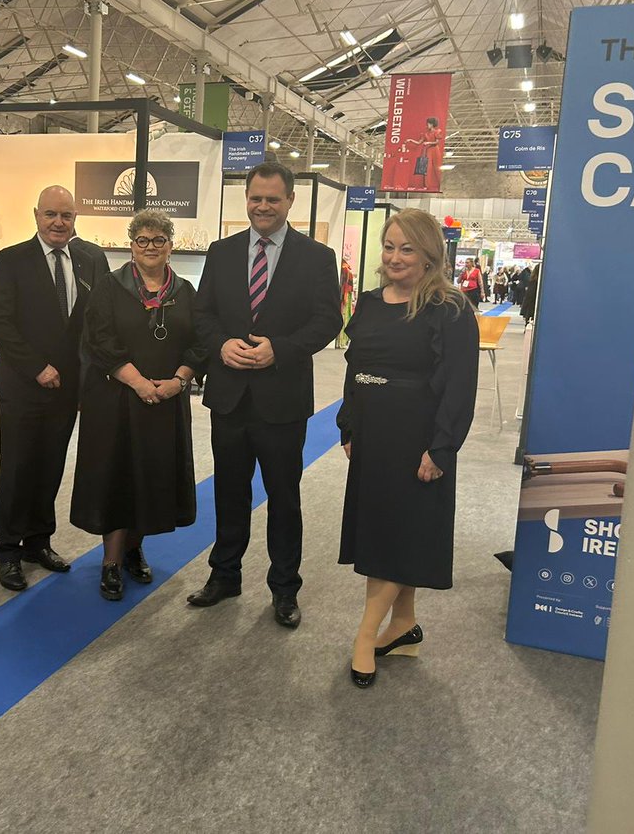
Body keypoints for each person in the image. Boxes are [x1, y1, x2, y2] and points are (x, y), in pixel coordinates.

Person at [187, 161, 342, 628]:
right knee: (230, 492)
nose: (263, 206)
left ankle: (284, 588)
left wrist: (281, 350)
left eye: (273, 199)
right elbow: (203, 313)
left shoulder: (316, 257)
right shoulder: (222, 251)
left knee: (283, 497)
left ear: (289, 201)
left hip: (283, 399)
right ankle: (225, 575)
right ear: (247, 198)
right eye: (256, 198)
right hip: (230, 397)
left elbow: (327, 321)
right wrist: (220, 345)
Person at [336, 209, 478, 688]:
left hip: (418, 439)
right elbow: (355, 367)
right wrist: (349, 424)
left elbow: (459, 385)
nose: (395, 257)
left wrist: (441, 449)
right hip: (373, 435)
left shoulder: (450, 309)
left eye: (407, 249)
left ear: (430, 255)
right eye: (390, 246)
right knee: (385, 534)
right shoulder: (372, 302)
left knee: (404, 532)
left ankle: (364, 635)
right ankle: (404, 625)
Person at [71, 209, 207, 600]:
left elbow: (200, 342)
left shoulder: (185, 291)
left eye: (158, 240)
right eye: (142, 240)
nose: (150, 247)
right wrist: (138, 383)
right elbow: (99, 340)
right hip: (116, 400)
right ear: (131, 245)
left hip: (165, 401)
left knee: (151, 479)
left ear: (170, 245)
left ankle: (134, 549)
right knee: (117, 479)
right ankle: (110, 562)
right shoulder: (109, 287)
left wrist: (178, 381)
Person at [0, 184, 111, 591]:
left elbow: (99, 319)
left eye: (67, 215)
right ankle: (8, 550)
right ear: (36, 214)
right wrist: (37, 367)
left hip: (67, 388)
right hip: (23, 385)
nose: (59, 222)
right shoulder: (12, 259)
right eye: (51, 214)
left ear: (76, 218)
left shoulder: (89, 259)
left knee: (51, 466)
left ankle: (38, 541)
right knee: (19, 466)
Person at [404, 117, 444, 190]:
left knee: (437, 167)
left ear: (432, 124)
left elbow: (437, 142)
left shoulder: (437, 131)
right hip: (428, 150)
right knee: (427, 168)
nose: (427, 125)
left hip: (435, 150)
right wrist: (410, 140)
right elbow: (419, 142)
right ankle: (427, 185)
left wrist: (428, 142)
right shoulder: (425, 133)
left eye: (428, 123)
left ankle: (439, 184)